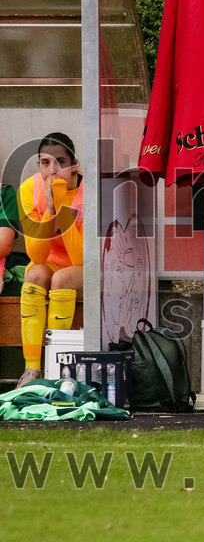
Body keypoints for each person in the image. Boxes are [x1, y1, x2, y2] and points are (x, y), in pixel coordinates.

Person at [16, 133, 84, 389]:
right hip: (52, 261)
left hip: (85, 266)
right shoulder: (28, 189)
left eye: (60, 162)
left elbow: (79, 257)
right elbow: (37, 256)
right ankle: (32, 369)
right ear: (38, 165)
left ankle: (55, 367)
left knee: (62, 277)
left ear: (74, 164)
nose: (53, 170)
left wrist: (62, 200)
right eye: (46, 163)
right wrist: (50, 209)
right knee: (34, 273)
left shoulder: (90, 191)